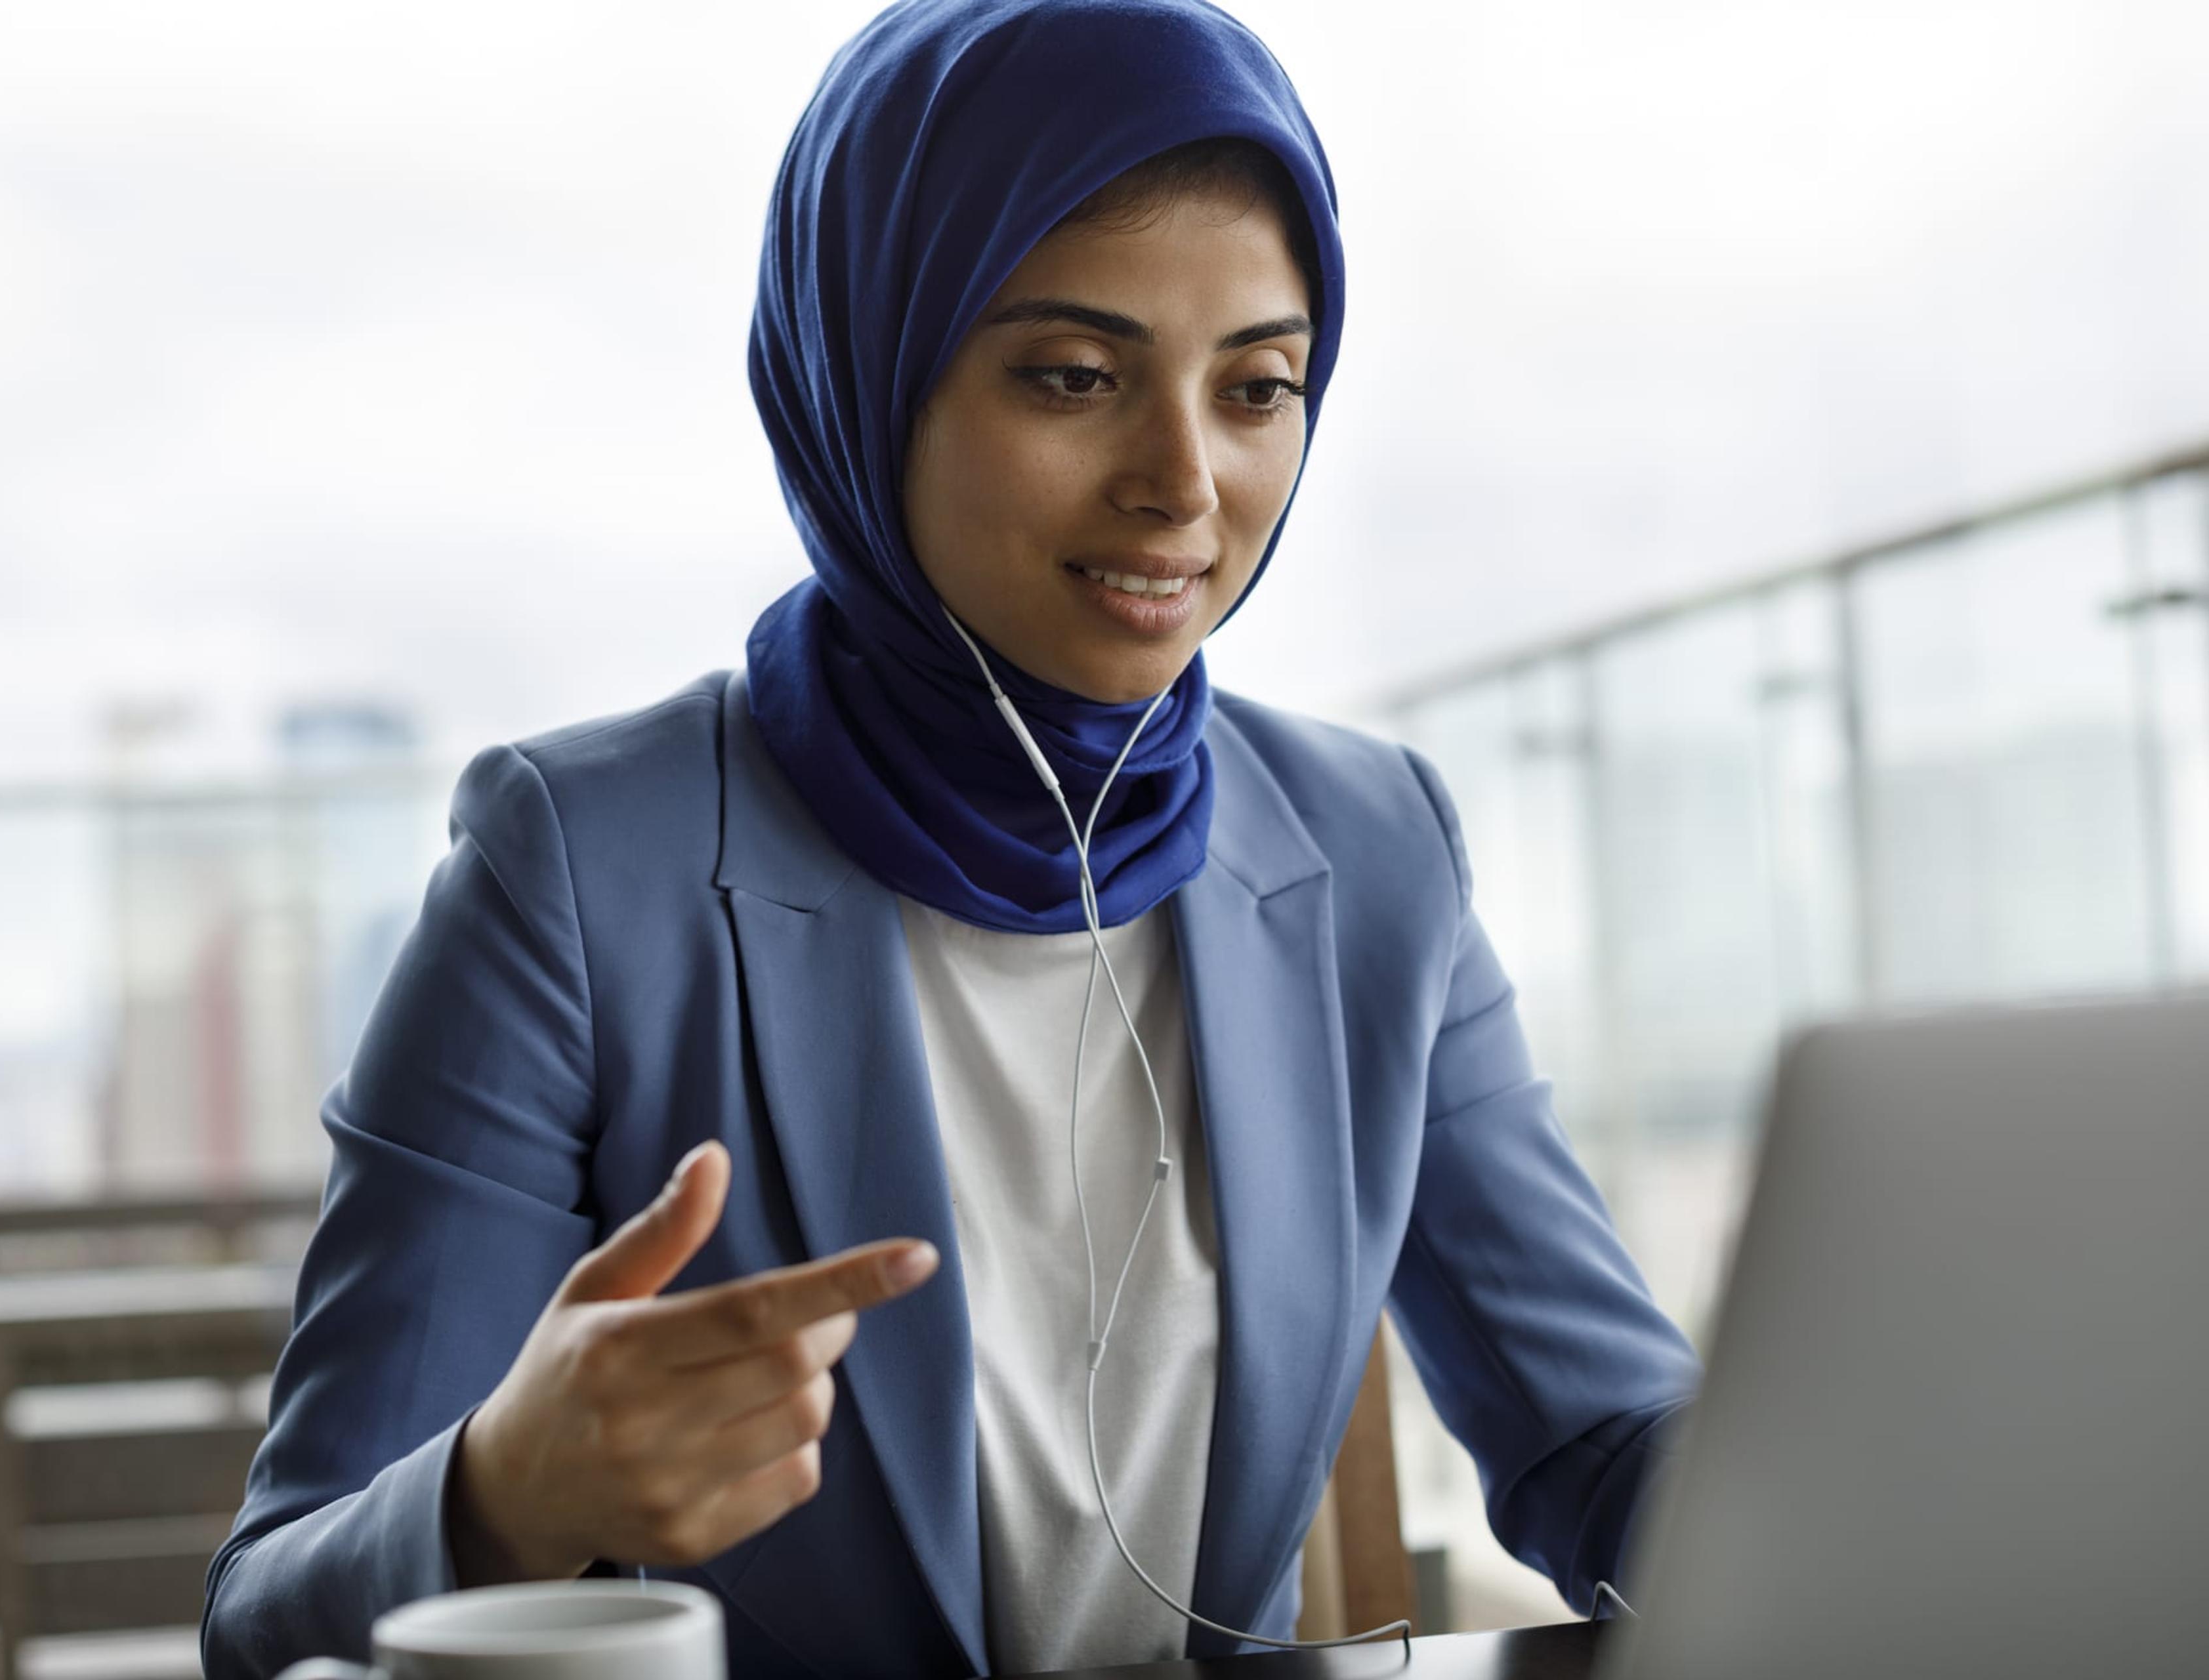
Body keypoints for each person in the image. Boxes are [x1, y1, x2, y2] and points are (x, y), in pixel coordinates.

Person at [200, 1, 1702, 1676]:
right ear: (871, 372)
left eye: (1259, 387)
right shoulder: (576, 868)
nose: (1185, 482)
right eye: (1074, 377)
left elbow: (1602, 1431)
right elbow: (265, 1615)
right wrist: (499, 1493)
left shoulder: (1374, 850)